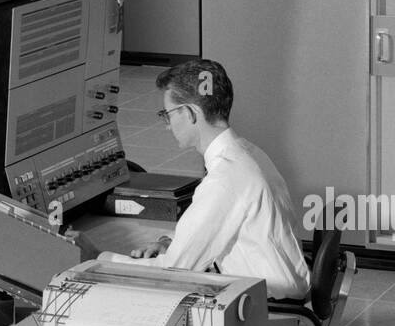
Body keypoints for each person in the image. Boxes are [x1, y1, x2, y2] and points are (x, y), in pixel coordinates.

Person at [99, 59, 311, 302]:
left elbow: (170, 273)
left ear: (190, 113)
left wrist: (98, 258)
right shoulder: (248, 154)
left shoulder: (224, 181)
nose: (167, 126)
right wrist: (174, 244)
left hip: (270, 308)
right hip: (277, 287)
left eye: (167, 115)